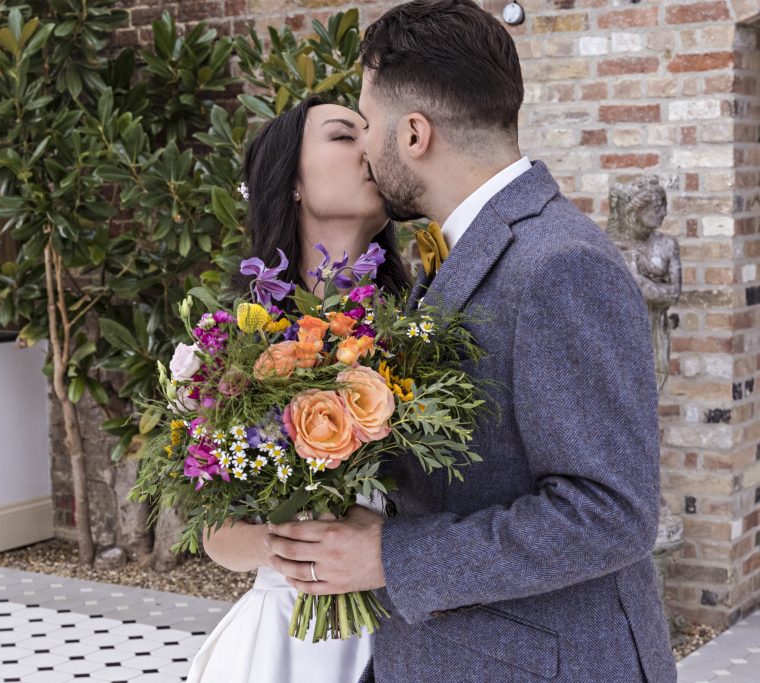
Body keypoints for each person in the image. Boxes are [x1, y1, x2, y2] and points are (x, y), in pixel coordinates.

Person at [264, 2, 679, 681]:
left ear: (416, 134)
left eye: (368, 125)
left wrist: (390, 556)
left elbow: (612, 511)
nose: (366, 147)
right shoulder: (460, 251)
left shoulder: (558, 264)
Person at [185, 96, 412, 683]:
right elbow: (214, 532)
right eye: (344, 136)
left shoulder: (421, 326)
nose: (371, 147)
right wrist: (288, 543)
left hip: (412, 635)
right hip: (287, 644)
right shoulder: (237, 344)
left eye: (374, 133)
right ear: (290, 182)